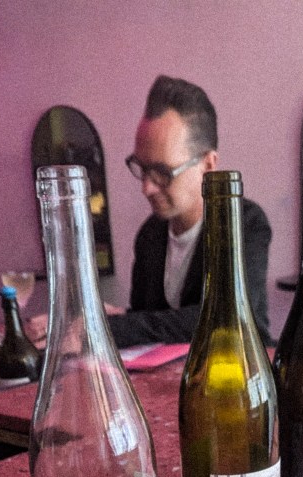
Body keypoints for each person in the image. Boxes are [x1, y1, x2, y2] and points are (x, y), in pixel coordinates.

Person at [107, 75, 272, 348]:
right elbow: (148, 321)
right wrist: (114, 318)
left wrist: (117, 326)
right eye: (141, 168)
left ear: (208, 165)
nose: (147, 187)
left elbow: (228, 318)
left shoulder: (244, 222)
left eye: (162, 172)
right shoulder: (150, 233)